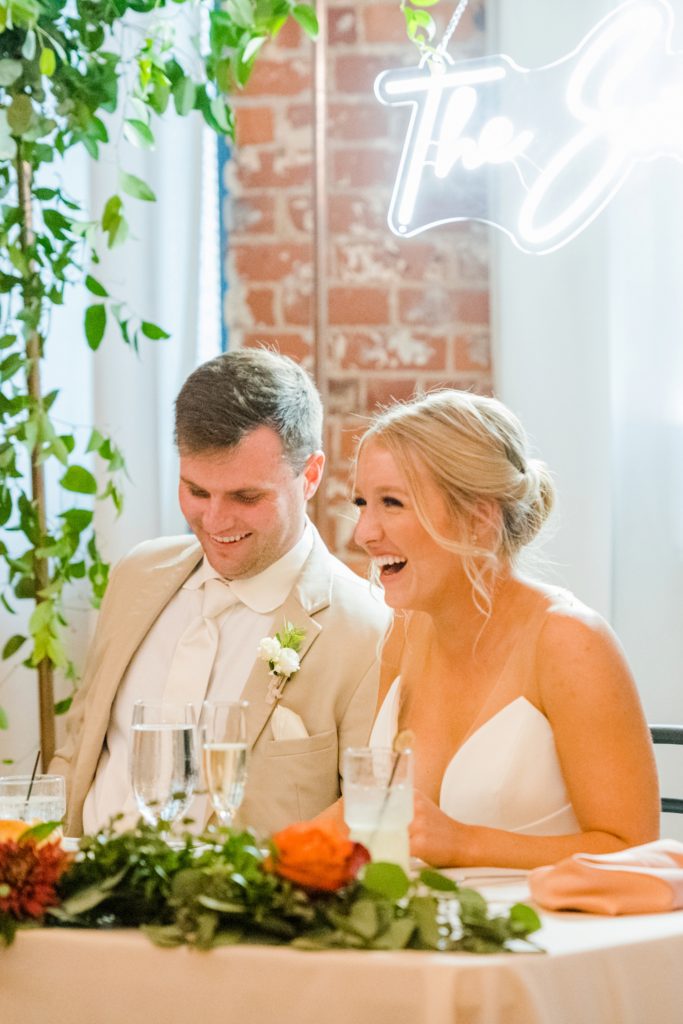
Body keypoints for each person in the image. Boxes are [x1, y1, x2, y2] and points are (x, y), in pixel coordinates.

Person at [51, 348, 389, 837]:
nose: (214, 521)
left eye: (246, 497)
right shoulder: (136, 575)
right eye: (197, 491)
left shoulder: (367, 631)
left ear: (311, 476)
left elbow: (369, 825)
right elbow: (79, 751)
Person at [351, 389, 659, 869]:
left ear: (478, 519)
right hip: (415, 915)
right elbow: (373, 814)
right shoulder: (405, 631)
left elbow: (635, 851)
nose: (364, 533)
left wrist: (466, 844)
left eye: (392, 503)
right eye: (361, 503)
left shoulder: (570, 642)